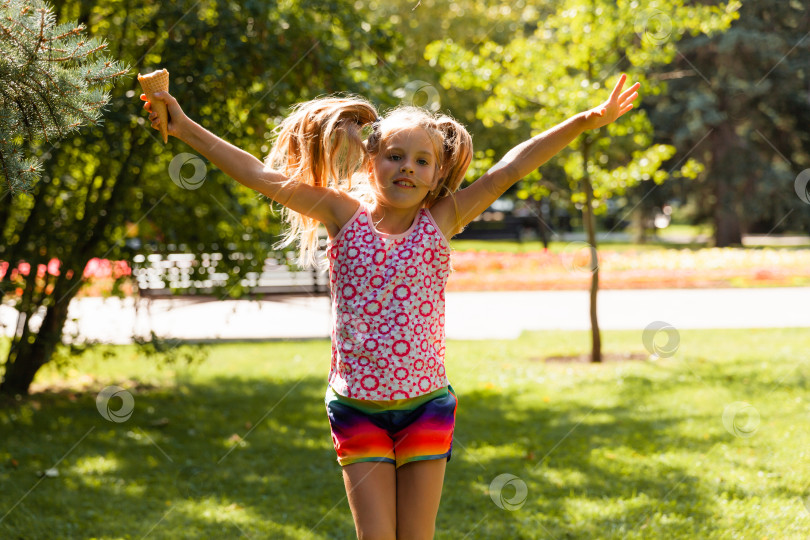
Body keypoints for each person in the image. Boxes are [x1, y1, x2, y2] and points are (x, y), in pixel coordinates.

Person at [140, 73, 639, 539]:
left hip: (427, 409)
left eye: (422, 160)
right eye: (395, 156)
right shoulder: (342, 214)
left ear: (437, 171)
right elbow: (257, 173)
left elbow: (509, 168)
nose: (408, 168)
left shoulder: (443, 218)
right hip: (358, 410)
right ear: (369, 160)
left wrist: (584, 120)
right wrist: (182, 126)